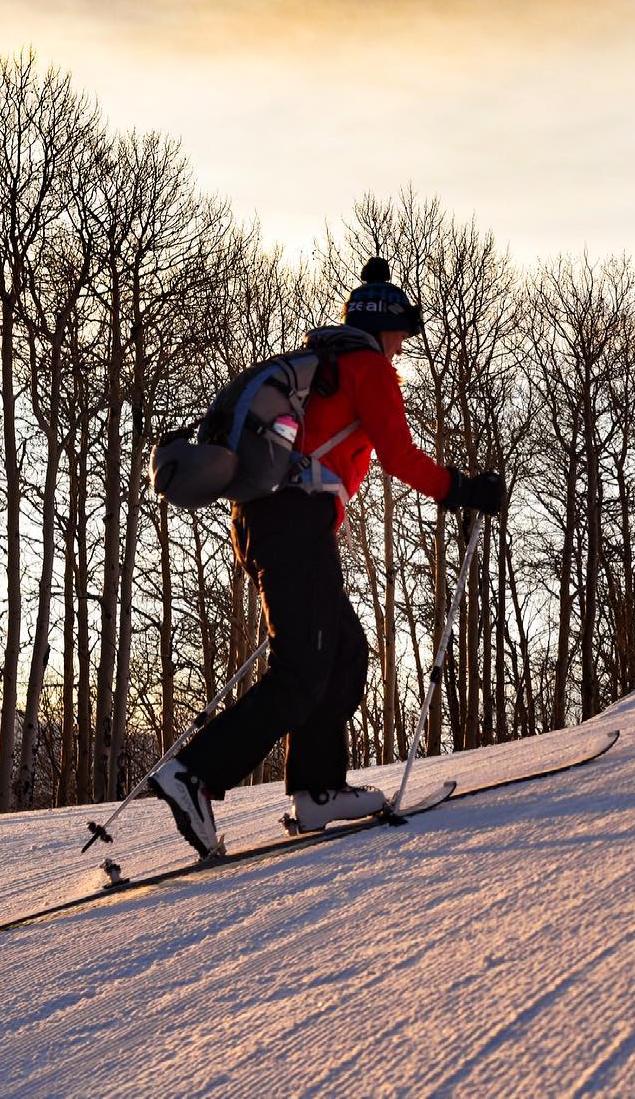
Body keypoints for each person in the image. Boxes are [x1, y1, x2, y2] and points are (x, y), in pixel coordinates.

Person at [149, 257, 503, 857]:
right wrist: (464, 489)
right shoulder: (367, 369)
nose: (400, 349)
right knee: (302, 669)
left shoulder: (323, 370)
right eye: (402, 335)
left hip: (277, 522)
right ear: (387, 329)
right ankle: (195, 774)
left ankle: (318, 791)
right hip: (293, 523)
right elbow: (398, 454)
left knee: (341, 652)